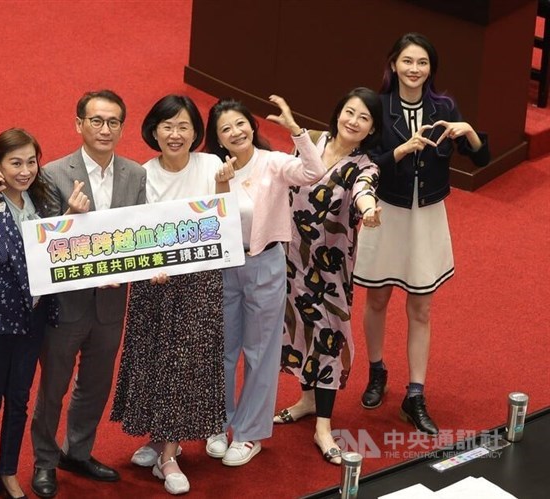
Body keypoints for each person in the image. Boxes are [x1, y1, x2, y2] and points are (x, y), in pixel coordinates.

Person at [353, 33, 490, 435]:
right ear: (393, 64)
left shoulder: (444, 107)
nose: (415, 69)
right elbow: (361, 160)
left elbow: (481, 158)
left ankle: (415, 394)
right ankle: (377, 371)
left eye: (423, 63)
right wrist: (400, 151)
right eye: (407, 61)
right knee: (377, 297)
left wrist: (469, 132)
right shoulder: (378, 107)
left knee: (421, 308)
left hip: (427, 216)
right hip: (386, 213)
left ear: (431, 68)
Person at [110, 94, 233, 495]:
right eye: (167, 126)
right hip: (155, 284)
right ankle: (159, 438)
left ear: (196, 132)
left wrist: (223, 188)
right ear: (153, 130)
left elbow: (227, 221)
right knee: (154, 358)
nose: (175, 134)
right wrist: (150, 267)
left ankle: (168, 455)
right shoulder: (141, 174)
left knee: (185, 363)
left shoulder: (212, 165)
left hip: (199, 282)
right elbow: (136, 234)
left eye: (184, 126)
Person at [30, 89, 147, 498]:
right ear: (78, 124)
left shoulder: (136, 174)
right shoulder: (52, 174)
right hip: (67, 306)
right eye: (96, 121)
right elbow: (42, 244)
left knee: (95, 384)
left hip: (113, 303)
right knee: (54, 387)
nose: (104, 129)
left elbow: (139, 234)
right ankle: (44, 461)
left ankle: (76, 451)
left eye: (113, 122)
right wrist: (68, 220)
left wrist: (145, 266)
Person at [203, 96, 326, 466]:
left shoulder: (272, 162)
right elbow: (209, 221)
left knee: (260, 351)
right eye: (226, 129)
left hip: (266, 262)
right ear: (218, 139)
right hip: (224, 265)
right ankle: (217, 422)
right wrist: (221, 187)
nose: (236, 131)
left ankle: (250, 433)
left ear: (252, 126)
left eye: (240, 123)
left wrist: (296, 130)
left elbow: (314, 172)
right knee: (222, 348)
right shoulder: (213, 168)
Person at [273, 88, 383, 465]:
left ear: (371, 129)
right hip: (290, 258)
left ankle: (324, 425)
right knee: (297, 329)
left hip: (329, 269)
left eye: (363, 118)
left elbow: (365, 193)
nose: (353, 121)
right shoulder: (313, 143)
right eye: (349, 112)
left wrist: (368, 210)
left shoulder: (365, 166)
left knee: (330, 336)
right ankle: (306, 399)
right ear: (338, 113)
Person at [0, 128, 60, 499]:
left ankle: (7, 470)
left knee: (19, 398)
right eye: (15, 163)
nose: (25, 171)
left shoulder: (43, 200)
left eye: (31, 161)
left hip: (33, 317)